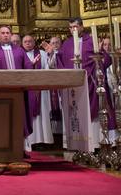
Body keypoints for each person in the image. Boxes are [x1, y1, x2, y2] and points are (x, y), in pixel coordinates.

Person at [55, 17, 113, 150]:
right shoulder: (67, 44)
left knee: (93, 112)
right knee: (74, 112)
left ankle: (95, 144)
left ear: (82, 27)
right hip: (72, 86)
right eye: (70, 27)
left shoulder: (91, 41)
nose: (72, 30)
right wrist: (53, 54)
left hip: (90, 84)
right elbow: (60, 61)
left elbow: (105, 60)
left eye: (75, 27)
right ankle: (77, 143)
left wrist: (100, 56)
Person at [0, 26, 32, 138]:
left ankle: (20, 148)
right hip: (1, 92)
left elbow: (28, 66)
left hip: (19, 91)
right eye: (3, 33)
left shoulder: (19, 50)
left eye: (7, 33)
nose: (5, 35)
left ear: (11, 35)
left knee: (19, 118)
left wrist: (32, 65)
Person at [22, 35, 53, 149]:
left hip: (40, 89)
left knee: (42, 115)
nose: (28, 43)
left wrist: (50, 54)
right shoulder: (21, 54)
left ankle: (41, 141)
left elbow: (48, 67)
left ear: (34, 42)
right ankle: (30, 141)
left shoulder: (41, 53)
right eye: (25, 41)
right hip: (26, 89)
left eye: (30, 41)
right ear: (22, 43)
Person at [43, 36, 63, 136]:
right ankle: (54, 134)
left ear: (61, 44)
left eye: (57, 42)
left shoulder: (63, 54)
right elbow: (49, 67)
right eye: (53, 43)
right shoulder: (45, 55)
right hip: (51, 88)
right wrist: (50, 54)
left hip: (61, 86)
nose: (55, 45)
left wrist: (53, 54)